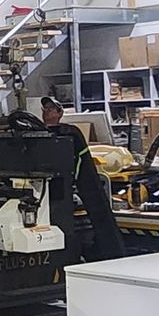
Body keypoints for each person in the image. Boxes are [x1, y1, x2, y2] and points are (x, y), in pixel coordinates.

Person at [39, 93, 125, 261]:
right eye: (45, 109)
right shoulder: (37, 133)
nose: (47, 113)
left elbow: (81, 170)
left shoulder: (70, 134)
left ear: (59, 113)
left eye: (51, 109)